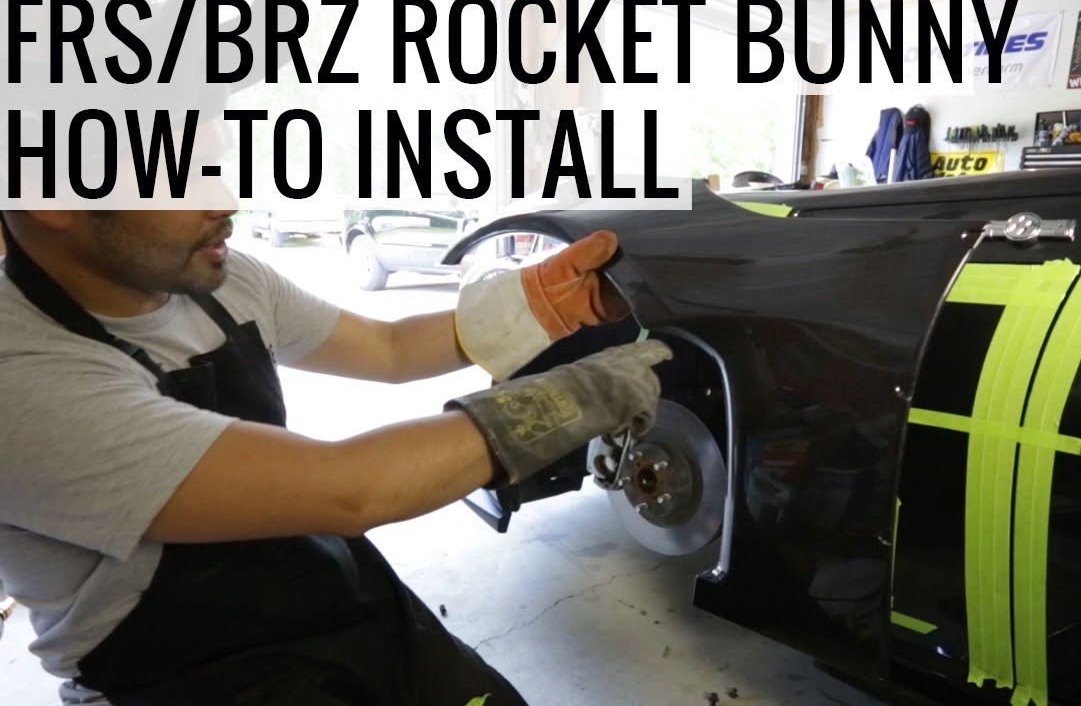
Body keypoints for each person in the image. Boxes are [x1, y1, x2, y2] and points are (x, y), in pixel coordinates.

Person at [0, 208, 672, 706]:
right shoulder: (21, 374)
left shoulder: (214, 278)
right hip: (187, 679)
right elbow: (350, 490)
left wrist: (538, 305)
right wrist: (571, 399)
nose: (225, 201)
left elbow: (388, 349)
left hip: (337, 605)